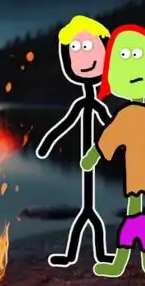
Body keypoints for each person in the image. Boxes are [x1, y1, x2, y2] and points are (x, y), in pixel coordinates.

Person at [79, 24, 145, 278]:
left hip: (142, 176)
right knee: (135, 215)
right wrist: (93, 156)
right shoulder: (125, 116)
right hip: (134, 176)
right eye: (124, 57)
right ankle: (140, 262)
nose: (133, 67)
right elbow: (108, 139)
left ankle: (130, 263)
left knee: (135, 217)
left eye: (139, 57)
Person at [36, 15, 114, 268]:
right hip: (86, 162)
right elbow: (66, 124)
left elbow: (111, 126)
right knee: (87, 215)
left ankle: (98, 255)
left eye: (90, 47)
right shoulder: (81, 104)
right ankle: (76, 256)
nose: (84, 56)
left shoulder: (96, 104)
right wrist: (47, 142)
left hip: (93, 158)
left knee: (90, 216)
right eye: (77, 49)